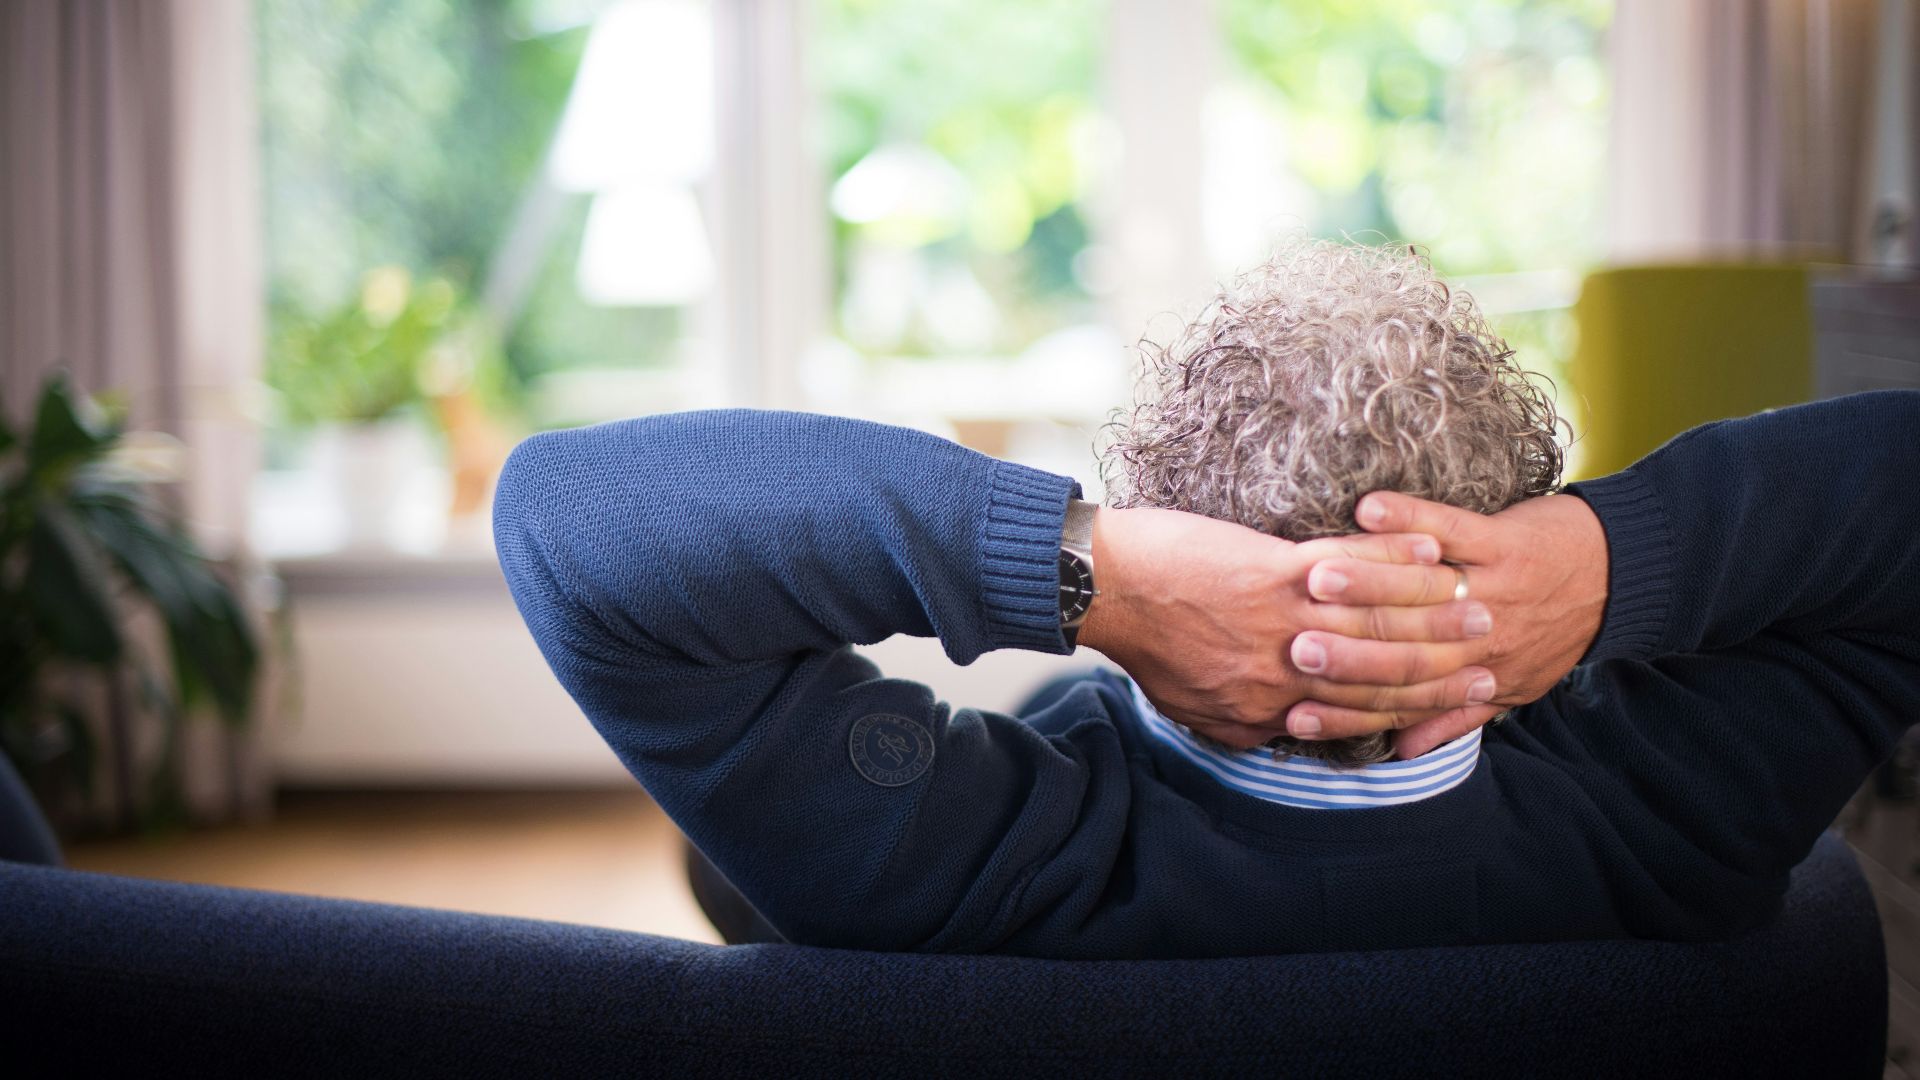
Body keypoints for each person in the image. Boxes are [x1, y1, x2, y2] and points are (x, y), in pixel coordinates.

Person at [493, 240, 1920, 958]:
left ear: (1169, 527)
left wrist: (1087, 575)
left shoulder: (961, 872)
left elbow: (569, 517)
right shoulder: (1676, 825)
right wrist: (1610, 561)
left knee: (728, 861)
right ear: (1511, 536)